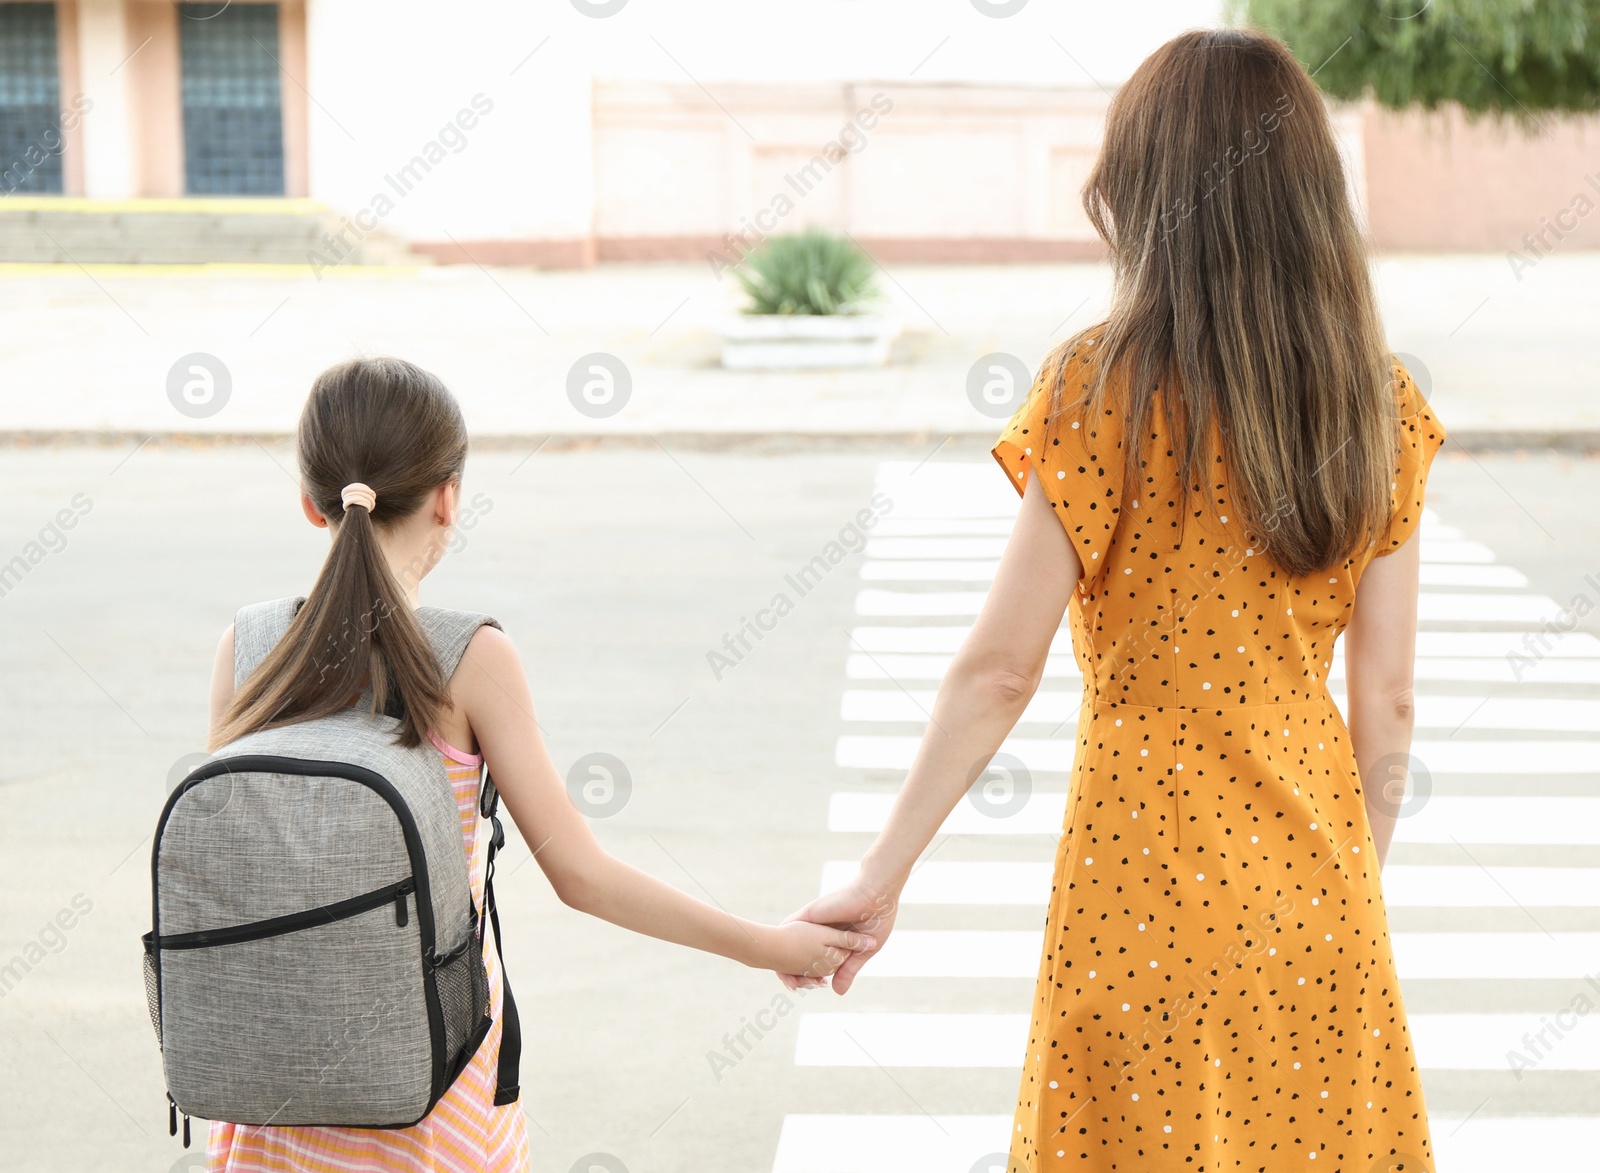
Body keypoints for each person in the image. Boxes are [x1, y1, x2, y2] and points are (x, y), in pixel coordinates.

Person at [787, 27, 1445, 1173]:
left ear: (1147, 193)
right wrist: (1343, 887)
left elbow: (999, 671)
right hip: (1315, 891)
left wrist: (880, 876)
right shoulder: (1378, 400)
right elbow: (1383, 705)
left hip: (1138, 887)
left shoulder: (1098, 388)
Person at [203, 356, 870, 1171]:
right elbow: (581, 876)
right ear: (448, 496)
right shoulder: (468, 658)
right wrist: (769, 944)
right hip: (431, 1105)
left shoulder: (249, 648)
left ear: (311, 504)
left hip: (273, 1103)